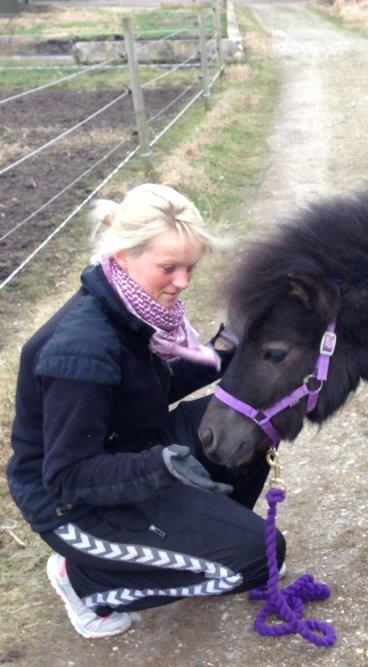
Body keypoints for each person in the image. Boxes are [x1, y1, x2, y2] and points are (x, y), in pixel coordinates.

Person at [7, 183, 285, 639]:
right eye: (169, 268)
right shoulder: (81, 351)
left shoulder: (134, 311)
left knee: (256, 420)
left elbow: (147, 390)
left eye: (191, 267)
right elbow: (68, 475)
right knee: (256, 559)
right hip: (72, 504)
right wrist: (159, 466)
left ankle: (200, 534)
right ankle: (86, 583)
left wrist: (225, 349)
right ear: (122, 256)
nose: (184, 282)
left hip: (131, 450)